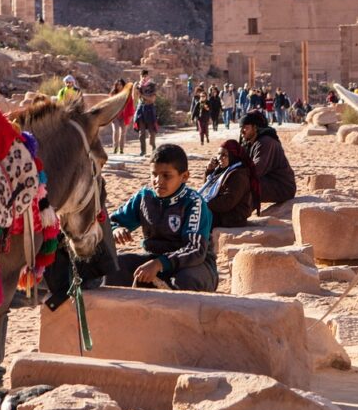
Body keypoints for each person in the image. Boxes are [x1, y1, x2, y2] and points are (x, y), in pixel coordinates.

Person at [104, 144, 217, 292]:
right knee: (113, 267)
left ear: (184, 177)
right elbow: (111, 221)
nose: (158, 181)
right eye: (154, 174)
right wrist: (116, 229)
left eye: (166, 175)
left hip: (193, 265)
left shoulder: (194, 202)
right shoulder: (145, 197)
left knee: (185, 281)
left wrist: (159, 263)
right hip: (153, 259)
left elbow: (195, 249)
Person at [239, 110, 296, 206]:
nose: (242, 132)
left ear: (255, 127)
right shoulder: (250, 142)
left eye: (245, 127)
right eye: (241, 128)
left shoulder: (265, 142)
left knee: (244, 184)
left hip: (283, 187)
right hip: (268, 180)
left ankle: (238, 216)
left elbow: (255, 170)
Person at [199, 139, 257, 227]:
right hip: (222, 211)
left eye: (224, 155)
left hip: (232, 217)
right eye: (218, 154)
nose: (219, 158)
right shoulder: (223, 170)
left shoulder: (238, 175)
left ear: (232, 156)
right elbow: (208, 189)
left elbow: (227, 203)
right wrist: (209, 170)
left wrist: (204, 203)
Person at [134, 68, 158, 156]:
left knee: (152, 132)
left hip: (149, 109)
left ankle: (153, 147)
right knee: (141, 133)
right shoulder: (138, 86)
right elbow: (135, 98)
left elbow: (152, 99)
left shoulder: (152, 85)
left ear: (148, 76)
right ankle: (143, 151)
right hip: (141, 110)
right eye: (142, 76)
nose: (144, 78)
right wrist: (135, 89)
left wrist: (143, 96)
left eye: (145, 76)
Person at [108, 78, 134, 154]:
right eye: (118, 84)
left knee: (123, 132)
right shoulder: (113, 94)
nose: (119, 86)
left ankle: (121, 149)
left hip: (124, 116)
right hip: (115, 116)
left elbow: (130, 105)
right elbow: (109, 104)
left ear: (123, 85)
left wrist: (130, 116)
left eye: (120, 84)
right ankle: (115, 147)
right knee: (116, 131)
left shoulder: (127, 94)